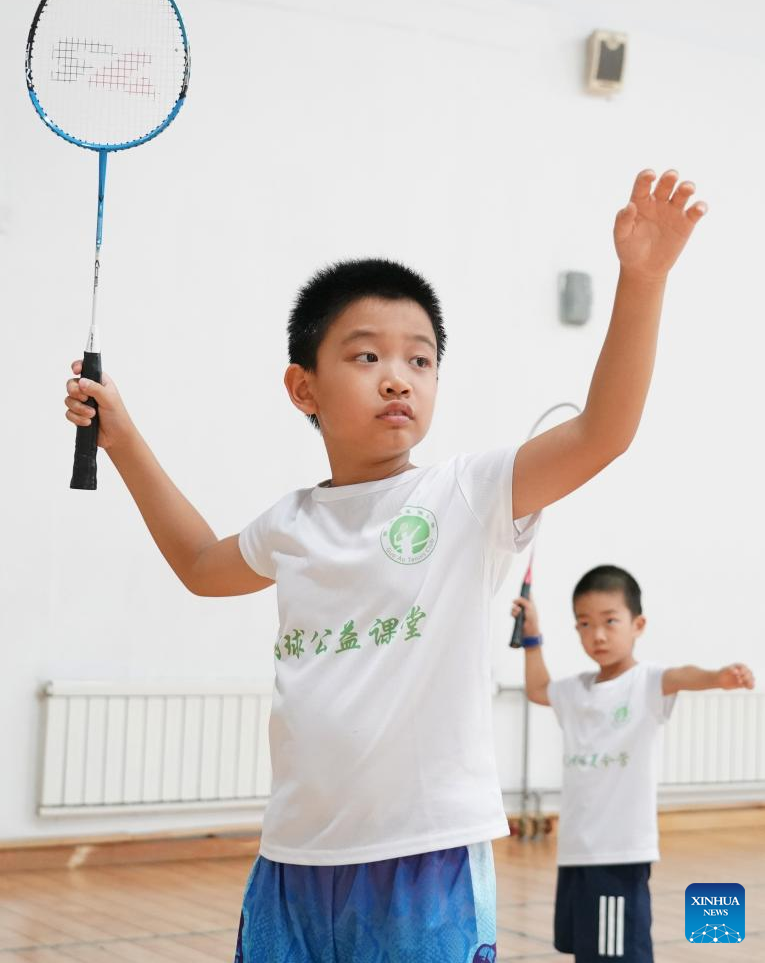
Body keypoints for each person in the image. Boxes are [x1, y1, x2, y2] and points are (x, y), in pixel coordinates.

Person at [65, 170, 705, 962]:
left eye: (421, 359)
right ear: (304, 387)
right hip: (292, 857)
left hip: (426, 857)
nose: (399, 375)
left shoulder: (466, 494)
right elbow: (201, 562)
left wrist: (641, 279)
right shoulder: (291, 522)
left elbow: (602, 430)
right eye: (366, 356)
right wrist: (123, 439)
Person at [515, 565, 755, 962]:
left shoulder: (645, 683)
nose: (598, 635)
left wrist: (718, 677)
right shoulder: (575, 692)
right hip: (576, 852)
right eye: (585, 624)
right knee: (588, 951)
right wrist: (531, 637)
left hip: (619, 854)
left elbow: (683, 675)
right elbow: (539, 689)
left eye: (610, 621)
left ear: (637, 624)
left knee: (620, 955)